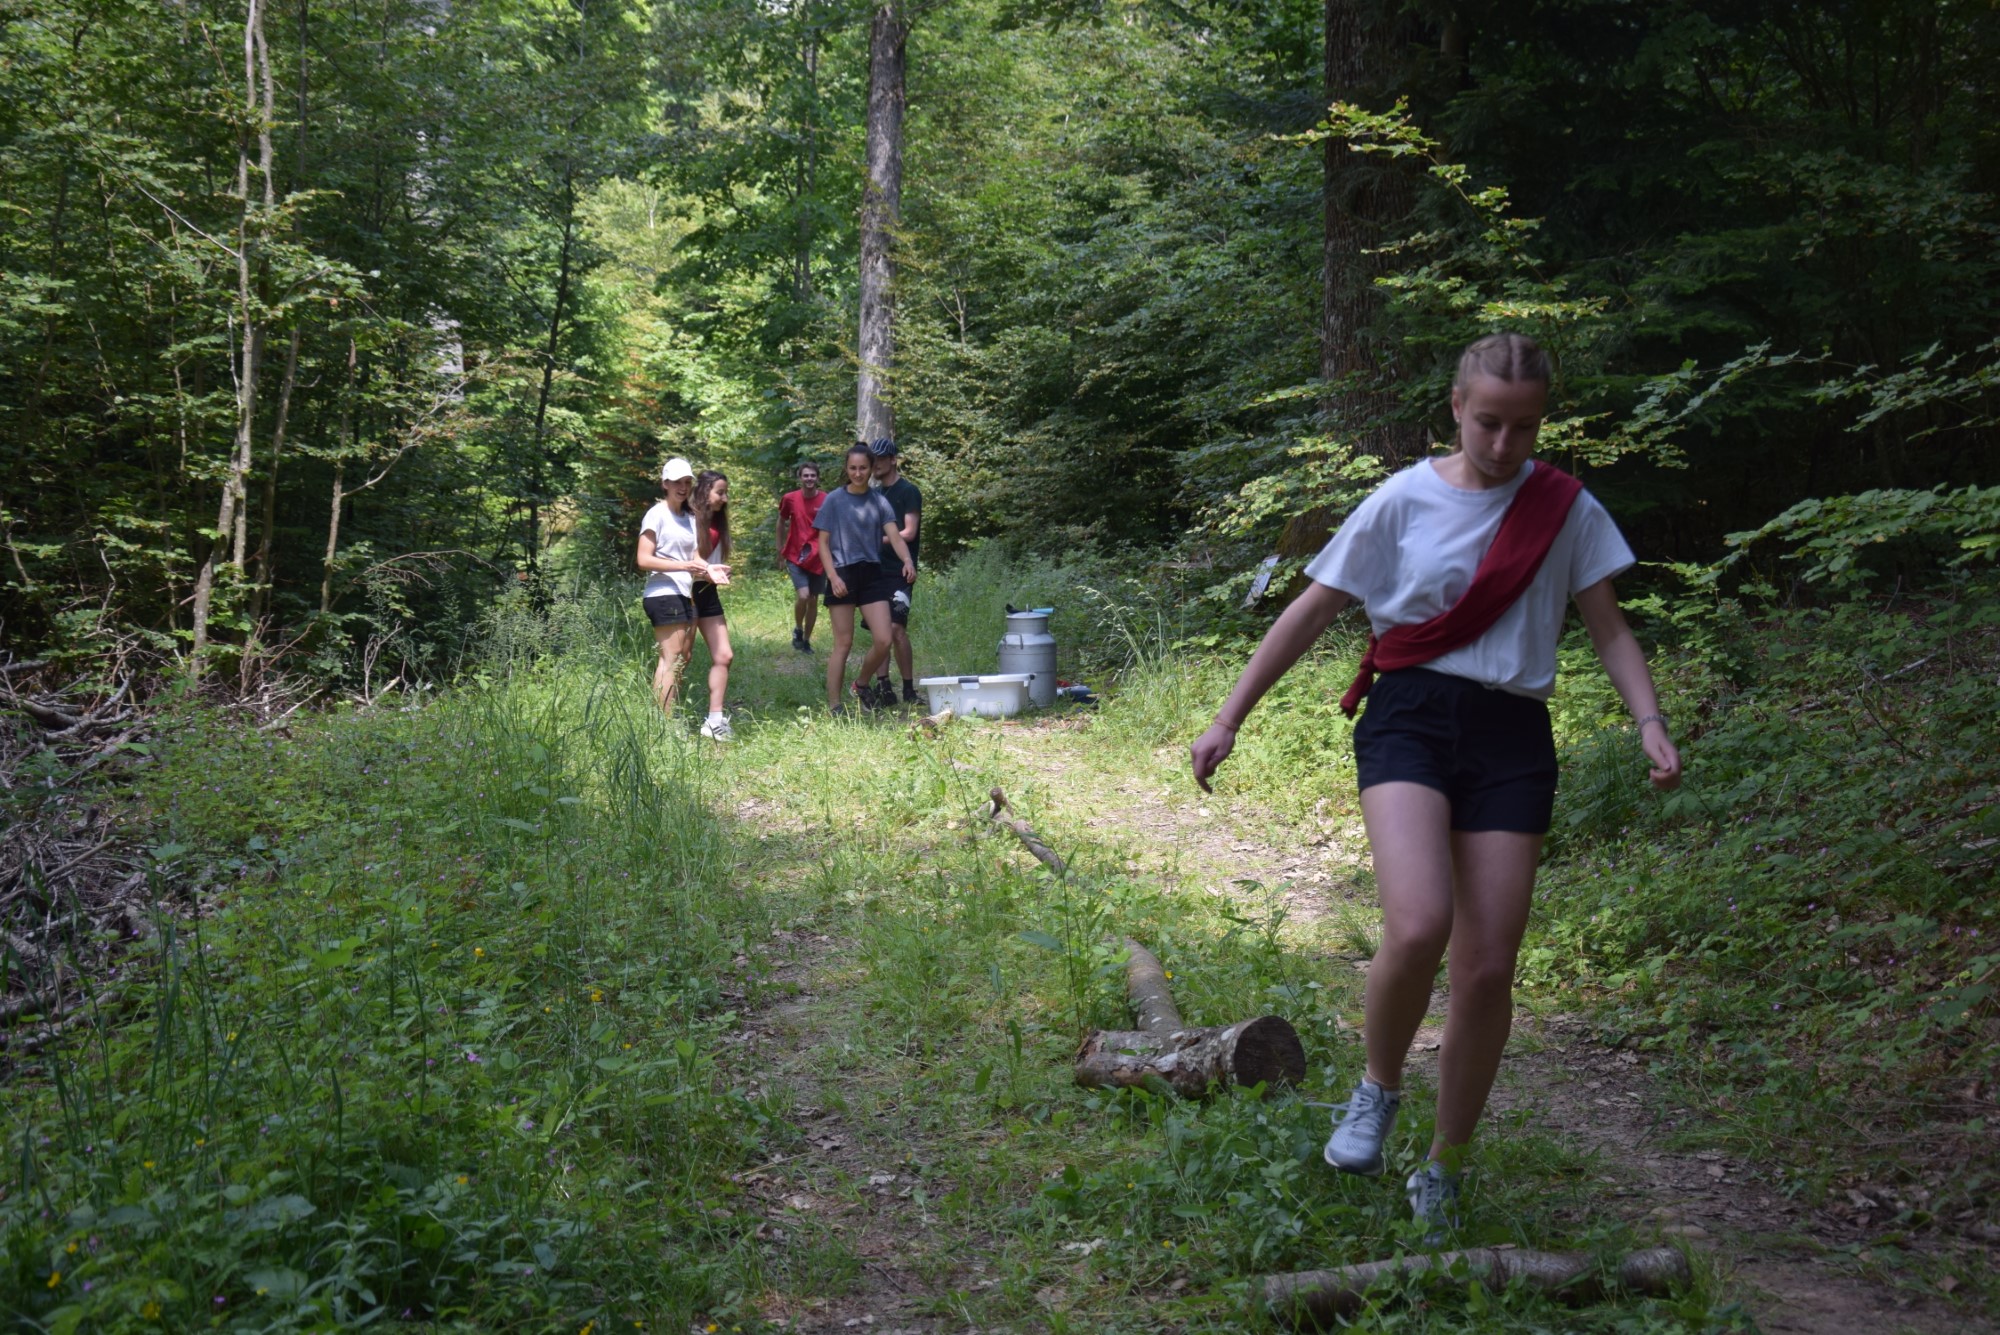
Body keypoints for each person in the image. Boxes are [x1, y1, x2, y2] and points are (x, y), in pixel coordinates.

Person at [1188, 332, 1682, 1242]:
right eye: (1487, 422)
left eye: (1524, 427)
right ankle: (1378, 1088)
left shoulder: (1564, 508)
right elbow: (1314, 609)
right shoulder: (1404, 498)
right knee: (1419, 923)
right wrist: (1229, 717)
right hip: (1410, 715)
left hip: (1512, 734)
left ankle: (1445, 1165)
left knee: (1488, 966)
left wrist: (1648, 719)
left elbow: (1609, 628)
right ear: (1456, 407)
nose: (1503, 443)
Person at [814, 444, 916, 716]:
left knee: (884, 639)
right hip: (842, 572)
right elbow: (822, 543)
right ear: (846, 469)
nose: (858, 473)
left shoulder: (879, 501)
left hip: (871, 573)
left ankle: (860, 684)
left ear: (871, 469)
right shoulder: (834, 500)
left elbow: (895, 537)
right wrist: (833, 576)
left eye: (863, 468)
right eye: (853, 468)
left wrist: (907, 561)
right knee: (843, 643)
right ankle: (835, 705)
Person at [635, 457, 716, 717]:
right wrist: (683, 566)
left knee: (683, 656)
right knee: (670, 658)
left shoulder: (690, 518)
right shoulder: (656, 514)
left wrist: (711, 570)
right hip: (662, 593)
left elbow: (695, 558)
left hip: (683, 592)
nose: (683, 487)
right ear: (665, 484)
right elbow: (643, 559)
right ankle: (664, 722)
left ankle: (669, 713)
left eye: (687, 482)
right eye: (677, 482)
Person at [867, 438, 923, 705]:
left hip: (900, 570)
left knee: (896, 628)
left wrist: (876, 539)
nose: (875, 464)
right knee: (880, 632)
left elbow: (909, 532)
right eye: (872, 459)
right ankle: (884, 687)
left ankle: (909, 689)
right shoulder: (873, 495)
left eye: (880, 458)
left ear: (893, 460)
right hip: (873, 570)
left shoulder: (908, 491)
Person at [690, 469, 737, 741]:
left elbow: (709, 565)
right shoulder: (687, 520)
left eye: (725, 492)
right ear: (704, 491)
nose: (725, 498)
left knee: (724, 655)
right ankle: (664, 719)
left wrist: (719, 571)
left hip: (707, 592)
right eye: (720, 492)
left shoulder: (717, 526)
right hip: (684, 593)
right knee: (680, 657)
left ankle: (714, 721)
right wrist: (705, 571)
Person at [777, 462, 827, 653]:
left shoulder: (826, 499)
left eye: (812, 475)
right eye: (806, 475)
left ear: (817, 477)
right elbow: (781, 522)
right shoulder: (790, 499)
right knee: (804, 595)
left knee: (813, 599)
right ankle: (798, 628)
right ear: (800, 478)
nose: (809, 479)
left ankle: (806, 641)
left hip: (818, 556)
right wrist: (779, 550)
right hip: (795, 554)